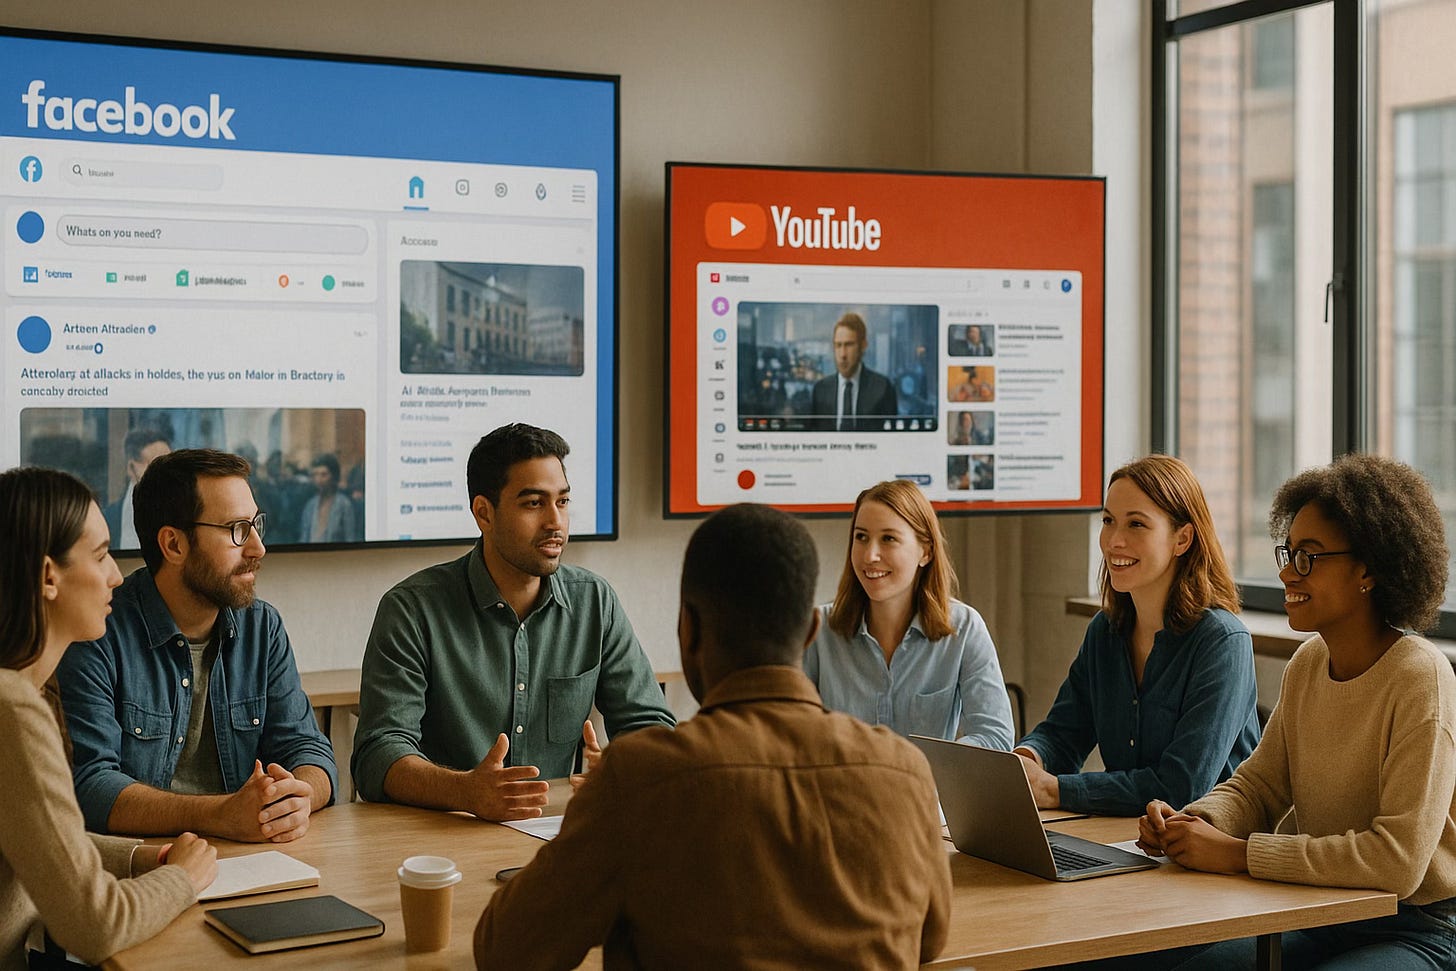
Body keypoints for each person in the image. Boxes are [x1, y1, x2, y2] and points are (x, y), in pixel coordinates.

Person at [474, 503, 951, 969]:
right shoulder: (904, 771)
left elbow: (507, 951)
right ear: (810, 631)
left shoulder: (642, 778)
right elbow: (930, 938)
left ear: (689, 629)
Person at [1140, 454, 1456, 969]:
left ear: (1368, 570)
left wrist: (1237, 854)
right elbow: (1259, 787)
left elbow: (1397, 862)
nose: (1287, 572)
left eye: (1308, 556)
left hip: (1417, 927)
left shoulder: (1420, 677)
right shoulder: (1309, 663)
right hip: (1319, 911)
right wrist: (1192, 821)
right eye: (1289, 553)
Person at [352, 423, 674, 820]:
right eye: (534, 504)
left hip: (552, 831)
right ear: (484, 513)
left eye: (563, 501)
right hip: (445, 831)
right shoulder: (412, 609)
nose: (555, 522)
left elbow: (651, 725)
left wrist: (625, 770)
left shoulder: (594, 601)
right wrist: (466, 791)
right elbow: (377, 754)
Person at [58, 449, 337, 842]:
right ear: (174, 545)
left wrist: (298, 796)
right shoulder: (97, 633)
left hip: (253, 854)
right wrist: (222, 814)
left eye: (256, 524)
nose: (258, 548)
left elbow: (308, 749)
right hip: (145, 862)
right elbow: (90, 786)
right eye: (236, 529)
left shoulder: (262, 627)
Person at [0, 466, 217, 970]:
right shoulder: (13, 710)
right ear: (48, 576)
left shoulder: (19, 693)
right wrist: (182, 879)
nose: (117, 575)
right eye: (100, 556)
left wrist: (142, 858)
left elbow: (45, 842)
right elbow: (95, 926)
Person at [1014, 455, 1259, 816]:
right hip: (1126, 834)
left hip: (1206, 840)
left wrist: (1055, 790)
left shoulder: (1223, 641)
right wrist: (1024, 761)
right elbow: (1063, 734)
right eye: (1108, 521)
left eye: (1136, 524)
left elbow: (1180, 787)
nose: (1114, 541)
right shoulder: (1105, 632)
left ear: (1182, 539)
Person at [805, 479, 1013, 749]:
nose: (870, 555)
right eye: (861, 537)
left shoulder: (964, 627)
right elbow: (791, 731)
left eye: (888, 538)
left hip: (929, 779)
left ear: (925, 551)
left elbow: (995, 736)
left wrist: (918, 768)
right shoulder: (818, 629)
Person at [809, 312, 898, 430]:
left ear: (863, 346)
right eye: (838, 345)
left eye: (849, 345)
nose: (842, 354)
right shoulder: (820, 390)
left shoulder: (882, 388)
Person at [102, 426, 171, 550]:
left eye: (170, 465)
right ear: (131, 468)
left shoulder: (186, 513)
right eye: (155, 465)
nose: (167, 473)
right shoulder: (107, 520)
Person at [298, 453, 359, 543]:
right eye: (315, 474)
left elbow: (350, 538)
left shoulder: (344, 504)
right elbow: (304, 538)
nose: (319, 479)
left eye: (324, 475)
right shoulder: (310, 505)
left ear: (334, 477)